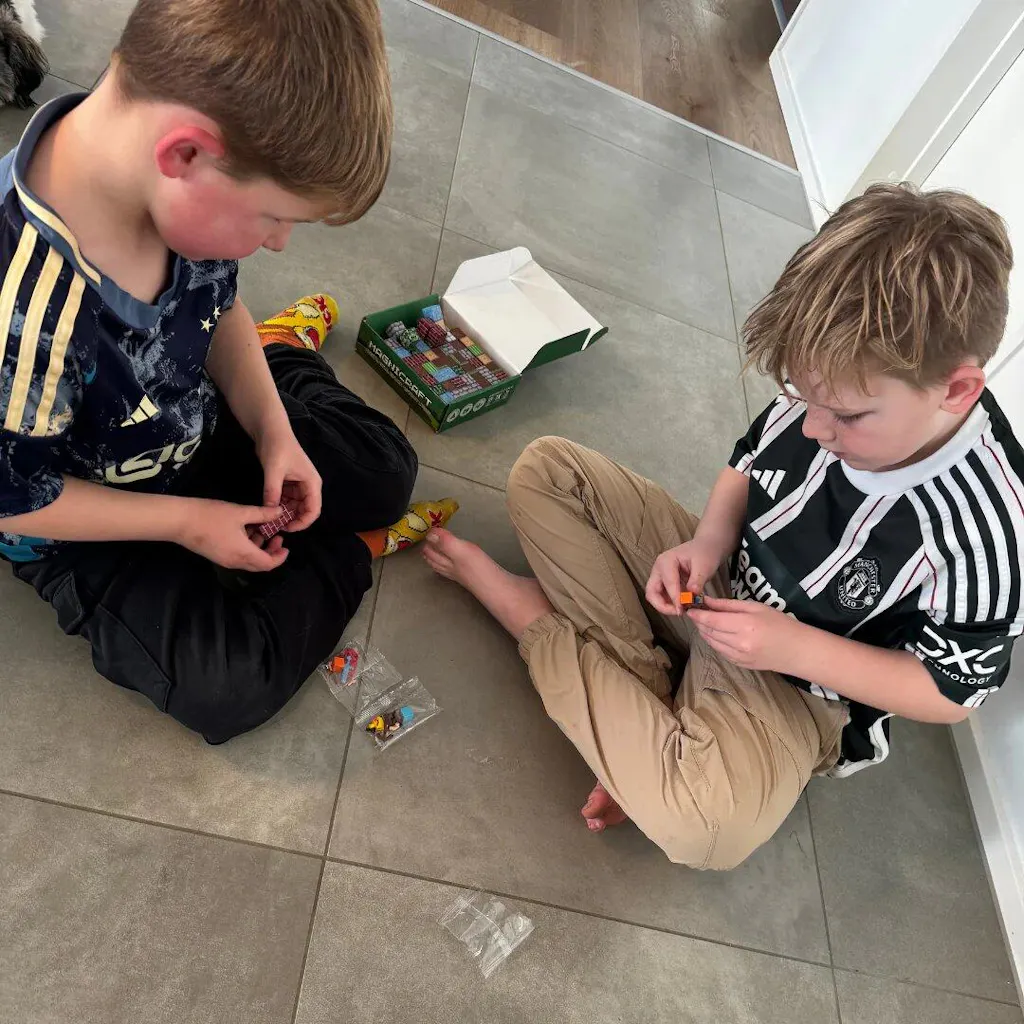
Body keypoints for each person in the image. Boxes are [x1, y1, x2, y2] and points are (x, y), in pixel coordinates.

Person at [425, 184, 1024, 869]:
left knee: (706, 832)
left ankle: (532, 622)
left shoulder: (991, 529)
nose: (814, 428)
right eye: (800, 396)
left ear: (956, 391)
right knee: (547, 472)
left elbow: (949, 692)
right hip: (721, 589)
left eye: (847, 418)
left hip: (799, 689)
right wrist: (707, 541)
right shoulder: (832, 384)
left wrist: (792, 647)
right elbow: (746, 464)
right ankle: (647, 719)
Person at [0, 0, 427, 743]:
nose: (280, 243)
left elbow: (215, 305)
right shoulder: (24, 314)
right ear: (187, 155)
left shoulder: (159, 173)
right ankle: (348, 553)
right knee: (227, 686)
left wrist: (273, 431)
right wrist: (188, 523)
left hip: (188, 414)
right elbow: (15, 498)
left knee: (386, 472)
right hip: (82, 521)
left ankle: (283, 350)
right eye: (275, 218)